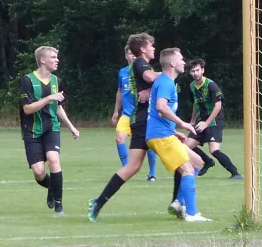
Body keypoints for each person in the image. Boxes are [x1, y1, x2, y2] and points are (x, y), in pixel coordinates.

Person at [88, 33, 160, 222]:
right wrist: (170, 71)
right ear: (141, 49)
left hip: (142, 118)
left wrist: (151, 89)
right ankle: (184, 206)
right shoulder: (139, 64)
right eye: (151, 45)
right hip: (140, 118)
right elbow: (150, 77)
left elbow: (151, 82)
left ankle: (98, 202)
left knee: (134, 166)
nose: (154, 48)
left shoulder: (143, 66)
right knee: (186, 162)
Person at [146, 48, 212, 222]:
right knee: (188, 169)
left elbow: (156, 113)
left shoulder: (166, 82)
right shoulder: (166, 82)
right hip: (160, 136)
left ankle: (179, 203)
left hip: (164, 133)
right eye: (181, 59)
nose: (185, 62)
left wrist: (175, 131)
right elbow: (161, 106)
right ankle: (191, 214)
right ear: (173, 63)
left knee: (197, 161)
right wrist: (182, 124)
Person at [20, 46, 80, 216]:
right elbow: (27, 109)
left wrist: (71, 126)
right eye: (53, 57)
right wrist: (48, 98)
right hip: (31, 130)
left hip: (51, 127)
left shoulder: (57, 81)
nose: (57, 60)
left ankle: (59, 207)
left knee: (53, 159)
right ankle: (52, 187)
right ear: (42, 60)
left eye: (57, 57)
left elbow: (59, 108)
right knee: (39, 172)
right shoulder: (27, 80)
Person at [186, 58, 242, 180]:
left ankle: (235, 173)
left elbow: (218, 105)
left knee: (214, 150)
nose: (195, 73)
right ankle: (207, 161)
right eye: (193, 71)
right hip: (201, 121)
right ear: (190, 72)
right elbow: (195, 104)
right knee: (186, 145)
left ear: (202, 70)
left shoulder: (210, 85)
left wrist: (206, 123)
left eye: (197, 70)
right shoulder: (191, 86)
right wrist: (192, 120)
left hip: (214, 120)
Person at [111, 45, 158, 180]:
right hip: (127, 114)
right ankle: (127, 171)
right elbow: (120, 91)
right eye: (129, 54)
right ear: (126, 56)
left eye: (134, 54)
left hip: (141, 113)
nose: (132, 56)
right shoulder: (122, 72)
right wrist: (116, 110)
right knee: (119, 138)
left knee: (148, 143)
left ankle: (152, 173)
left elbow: (155, 87)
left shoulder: (146, 70)